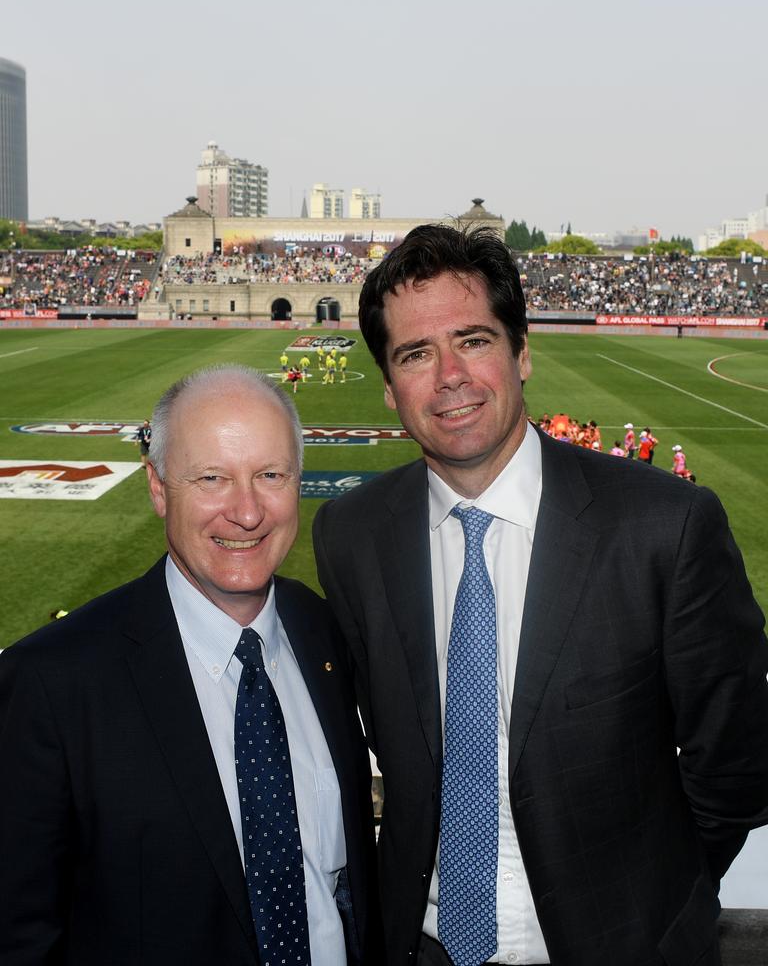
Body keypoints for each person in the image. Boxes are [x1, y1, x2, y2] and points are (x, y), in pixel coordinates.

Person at [312, 225, 768, 966]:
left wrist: (638, 906)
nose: (449, 374)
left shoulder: (665, 525)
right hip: (417, 947)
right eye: (416, 354)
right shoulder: (351, 535)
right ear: (391, 386)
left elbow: (735, 770)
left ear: (522, 352)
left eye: (474, 339)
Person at [0, 365, 380, 966]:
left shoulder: (324, 631)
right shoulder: (49, 685)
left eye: (271, 475)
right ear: (157, 488)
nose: (247, 512)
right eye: (212, 478)